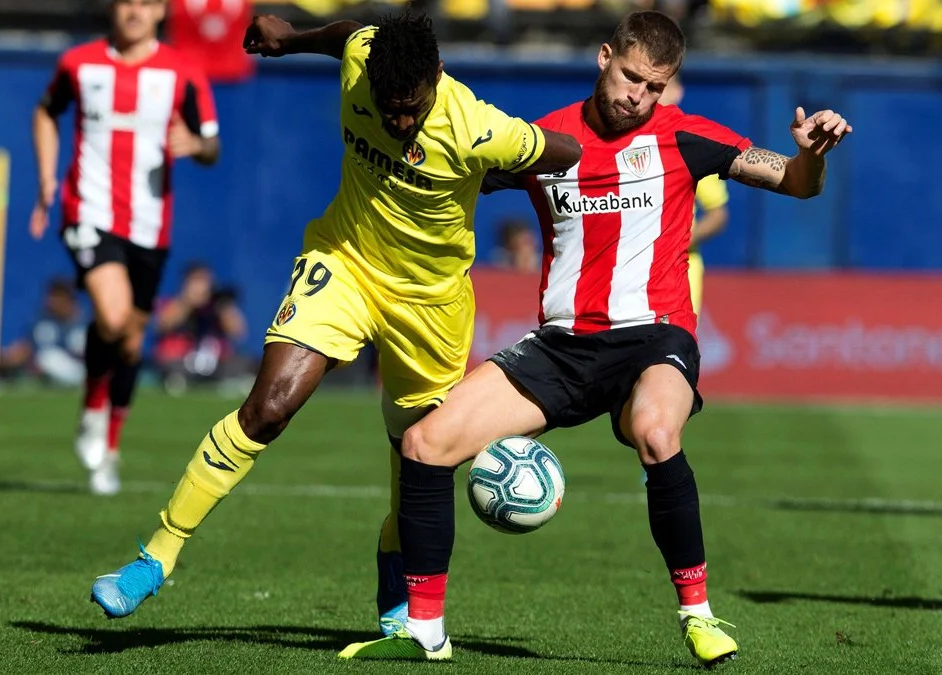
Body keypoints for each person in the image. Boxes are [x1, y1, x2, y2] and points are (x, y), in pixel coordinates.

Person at [340, 10, 851, 665]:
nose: (639, 96)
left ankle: (698, 615)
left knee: (656, 432)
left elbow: (797, 183)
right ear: (605, 56)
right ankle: (424, 632)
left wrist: (810, 155)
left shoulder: (687, 136)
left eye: (655, 86)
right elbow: (445, 173)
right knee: (424, 444)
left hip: (654, 338)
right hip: (562, 347)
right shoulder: (543, 140)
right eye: (632, 77)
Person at [88, 10, 582, 644]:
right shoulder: (360, 62)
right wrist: (291, 39)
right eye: (388, 108)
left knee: (418, 456)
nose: (398, 123)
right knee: (268, 408)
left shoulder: (479, 127)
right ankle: (156, 556)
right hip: (343, 263)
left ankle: (394, 579)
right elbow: (350, 31)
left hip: (430, 305)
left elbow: (568, 152)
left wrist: (498, 176)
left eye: (411, 110)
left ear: (436, 76)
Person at [29, 0, 221, 496]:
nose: (135, 11)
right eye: (126, 1)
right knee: (113, 318)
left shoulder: (183, 71)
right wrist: (47, 180)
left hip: (149, 227)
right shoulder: (79, 63)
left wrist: (196, 144)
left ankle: (110, 448)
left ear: (161, 11)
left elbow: (211, 145)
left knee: (132, 341)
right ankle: (93, 405)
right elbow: (46, 112)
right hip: (89, 211)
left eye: (146, 2)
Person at [659, 73, 729, 316]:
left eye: (663, 86)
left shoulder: (689, 144)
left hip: (677, 275)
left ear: (678, 91)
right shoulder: (624, 140)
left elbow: (717, 213)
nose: (655, 93)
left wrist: (679, 242)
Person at [153, 263, 254, 394]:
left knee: (244, 363)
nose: (202, 287)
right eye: (197, 281)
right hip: (181, 361)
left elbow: (239, 333)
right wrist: (187, 302)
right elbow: (162, 326)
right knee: (169, 366)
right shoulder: (172, 303)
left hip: (215, 362)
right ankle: (178, 380)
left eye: (206, 281)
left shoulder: (217, 305)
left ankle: (228, 381)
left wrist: (223, 306)